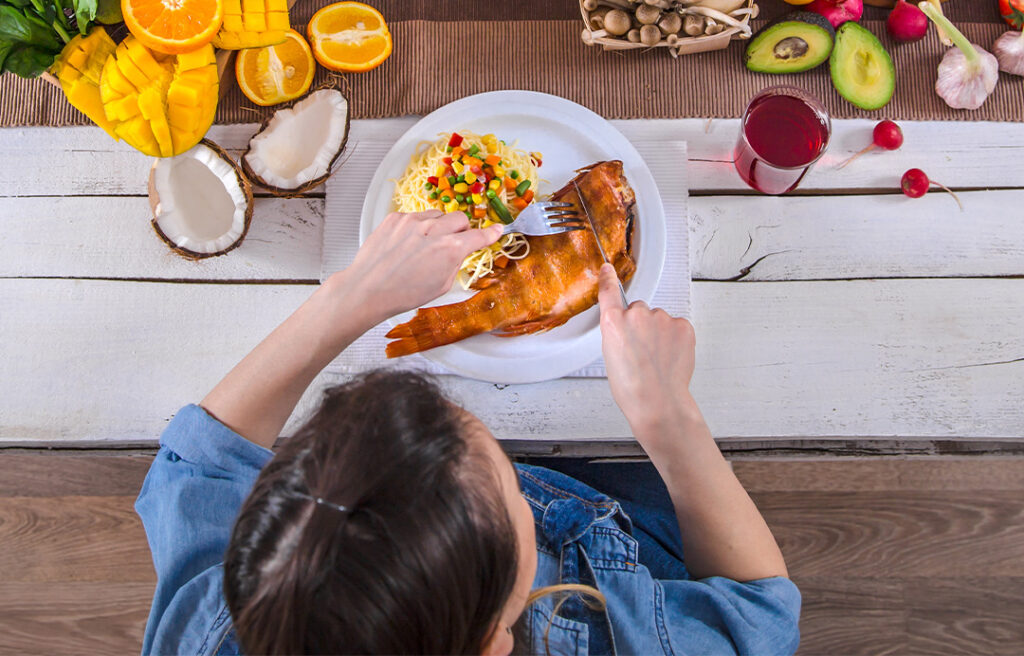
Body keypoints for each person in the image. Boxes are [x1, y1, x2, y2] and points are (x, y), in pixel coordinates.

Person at [136, 210, 800, 655]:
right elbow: (760, 619)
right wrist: (670, 419)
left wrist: (349, 297)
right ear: (494, 642)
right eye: (510, 488)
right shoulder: (603, 635)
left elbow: (195, 468)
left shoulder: (218, 624)